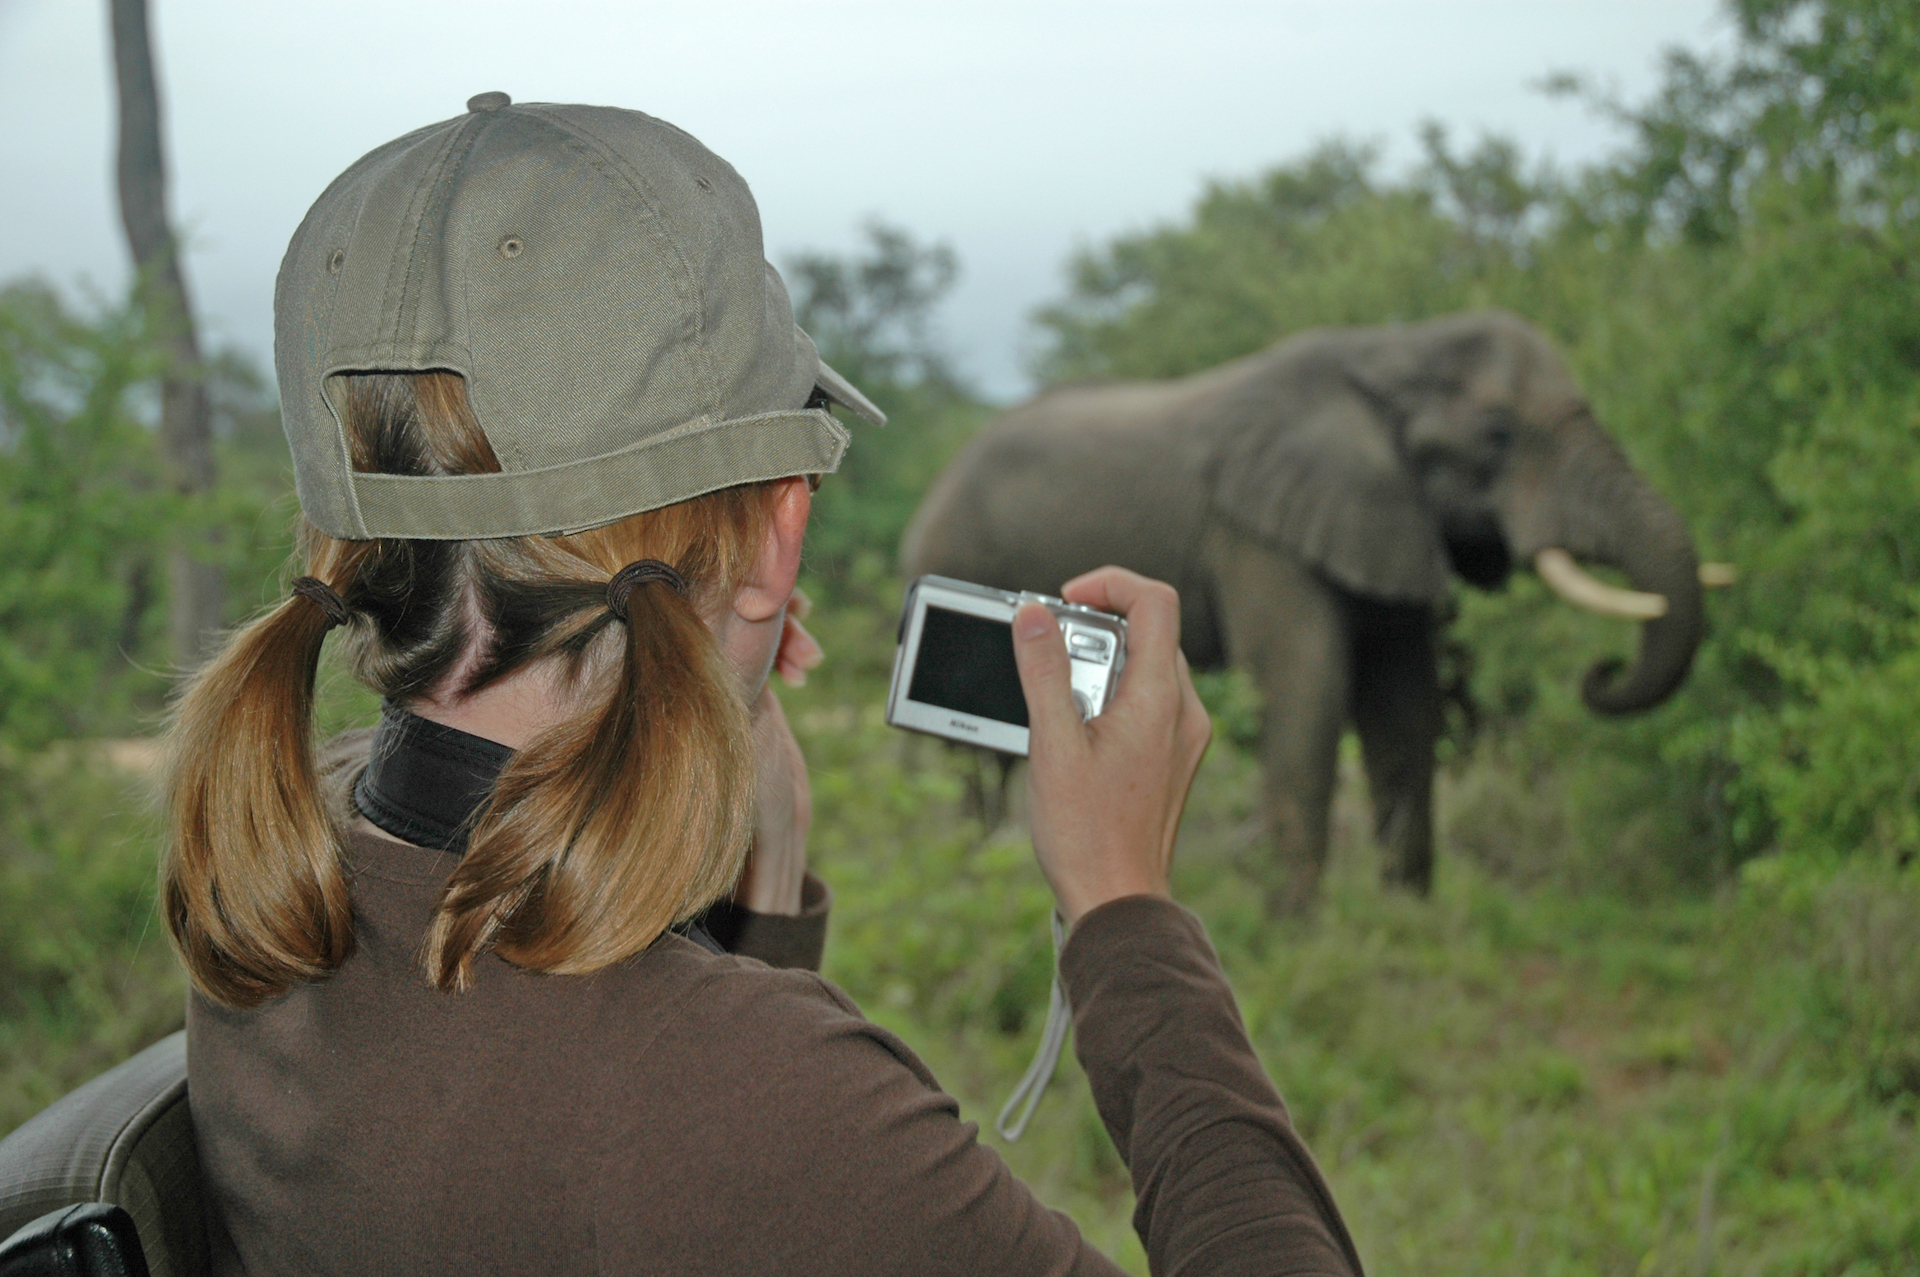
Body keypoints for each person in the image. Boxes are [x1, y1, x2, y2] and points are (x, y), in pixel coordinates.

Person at [162, 93, 1363, 1275]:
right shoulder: (778, 1104)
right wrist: (1124, 905)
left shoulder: (276, 875)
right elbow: (711, 1136)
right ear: (775, 540)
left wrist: (759, 876)